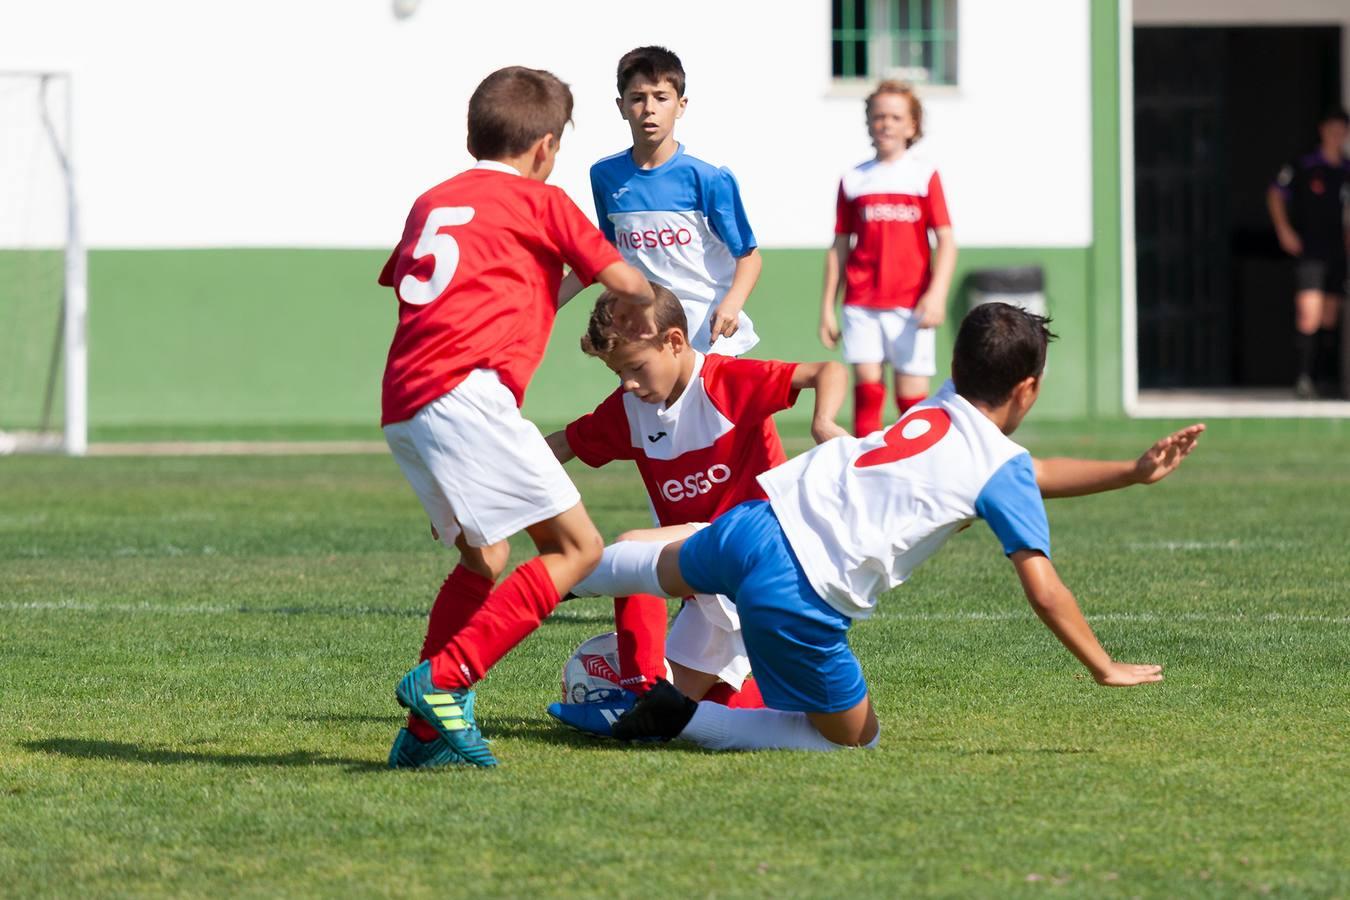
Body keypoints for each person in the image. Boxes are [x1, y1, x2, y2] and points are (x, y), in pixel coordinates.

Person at [569, 303, 1204, 752]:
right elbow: (1045, 589)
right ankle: (681, 722)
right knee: (852, 740)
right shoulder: (997, 465)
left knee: (641, 564)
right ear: (1029, 388)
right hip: (801, 589)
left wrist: (1130, 470)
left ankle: (532, 584)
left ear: (958, 365)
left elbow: (1029, 470)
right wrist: (1102, 665)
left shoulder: (941, 403)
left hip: (760, 520)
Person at [377, 66, 656, 770]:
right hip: (468, 395)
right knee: (578, 549)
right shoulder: (545, 201)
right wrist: (644, 315)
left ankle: (423, 737)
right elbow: (626, 281)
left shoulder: (432, 201)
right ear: (545, 149)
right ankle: (444, 681)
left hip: (406, 400)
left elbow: (471, 283)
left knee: (487, 556)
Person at [543, 286, 848, 735]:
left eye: (636, 368)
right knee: (688, 712)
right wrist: (482, 488)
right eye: (619, 373)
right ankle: (668, 707)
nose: (628, 383)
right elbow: (564, 445)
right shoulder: (632, 409)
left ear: (674, 342)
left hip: (761, 551)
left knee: (631, 552)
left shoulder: (725, 382)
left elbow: (828, 370)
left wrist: (823, 422)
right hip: (710, 578)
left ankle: (637, 689)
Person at [559, 45, 762, 356]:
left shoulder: (708, 178)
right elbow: (607, 253)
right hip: (644, 334)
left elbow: (748, 257)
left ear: (680, 105)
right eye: (638, 98)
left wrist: (731, 305)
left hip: (707, 337)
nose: (649, 108)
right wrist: (551, 300)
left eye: (661, 97)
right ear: (621, 106)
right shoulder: (605, 175)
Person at [820, 81, 957, 437]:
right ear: (868, 122)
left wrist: (937, 294)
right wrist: (827, 308)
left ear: (912, 125)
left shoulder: (924, 175)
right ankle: (871, 475)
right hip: (862, 303)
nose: (886, 124)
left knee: (912, 400)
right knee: (867, 393)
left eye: (896, 117)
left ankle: (916, 474)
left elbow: (946, 240)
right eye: (879, 116)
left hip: (912, 302)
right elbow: (839, 246)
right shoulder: (853, 179)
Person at [1267, 107, 1350, 399]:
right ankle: (1303, 378)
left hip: (1337, 253)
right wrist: (1285, 231)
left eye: (1343, 130)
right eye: (1333, 129)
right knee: (1308, 314)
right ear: (1323, 130)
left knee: (1330, 318)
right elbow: (1276, 193)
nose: (1338, 135)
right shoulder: (1304, 165)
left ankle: (1326, 380)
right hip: (1311, 251)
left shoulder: (1345, 170)